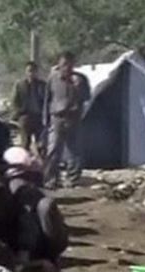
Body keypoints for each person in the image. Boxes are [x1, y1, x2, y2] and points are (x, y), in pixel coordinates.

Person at [0, 147, 68, 272]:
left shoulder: (10, 187)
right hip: (27, 245)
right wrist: (24, 254)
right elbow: (26, 222)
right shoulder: (23, 189)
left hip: (16, 245)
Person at [43, 51, 91, 189]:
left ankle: (73, 179)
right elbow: (47, 98)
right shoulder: (53, 78)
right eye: (64, 64)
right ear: (59, 64)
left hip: (73, 117)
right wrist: (45, 119)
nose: (66, 67)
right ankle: (51, 179)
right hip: (57, 117)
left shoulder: (81, 79)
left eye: (69, 64)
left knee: (74, 150)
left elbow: (87, 97)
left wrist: (78, 88)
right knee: (53, 149)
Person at [12, 61, 47, 153]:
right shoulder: (20, 85)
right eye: (29, 71)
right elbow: (15, 101)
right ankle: (25, 163)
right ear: (26, 71)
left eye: (33, 71)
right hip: (25, 117)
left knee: (41, 144)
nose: (31, 73)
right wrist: (19, 114)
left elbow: (47, 100)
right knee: (25, 144)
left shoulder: (42, 85)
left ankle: (41, 164)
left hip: (39, 118)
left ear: (36, 72)